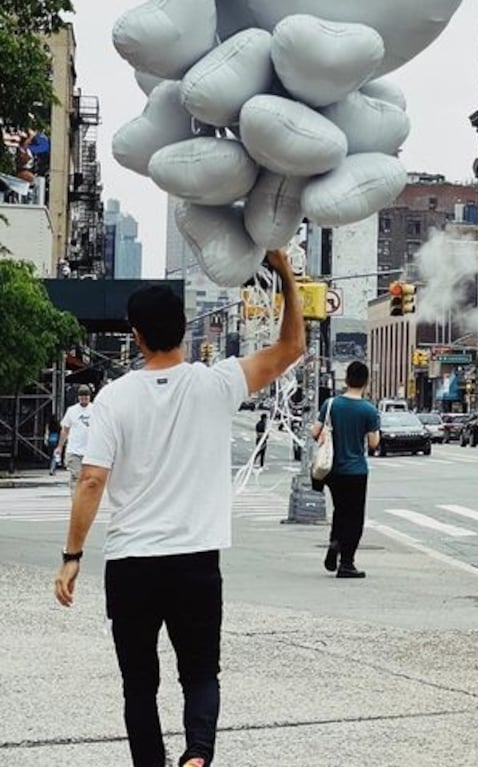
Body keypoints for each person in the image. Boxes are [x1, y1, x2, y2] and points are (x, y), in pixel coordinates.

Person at [53, 249, 304, 767]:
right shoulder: (217, 383)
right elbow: (291, 346)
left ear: (136, 335)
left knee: (139, 684)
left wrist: (72, 555)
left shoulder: (114, 398)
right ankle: (197, 755)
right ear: (185, 329)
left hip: (131, 563)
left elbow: (92, 480)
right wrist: (284, 275)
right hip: (195, 560)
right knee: (201, 672)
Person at [311, 361, 380, 579]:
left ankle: (335, 542)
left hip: (332, 470)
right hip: (356, 470)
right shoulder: (369, 410)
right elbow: (373, 443)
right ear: (366, 381)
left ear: (347, 379)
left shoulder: (331, 404)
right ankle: (346, 563)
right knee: (354, 517)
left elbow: (315, 432)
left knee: (340, 511)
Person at [59, 385, 94, 494]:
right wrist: (60, 446)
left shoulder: (96, 410)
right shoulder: (72, 411)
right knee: (77, 475)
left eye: (86, 396)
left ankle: (84, 498)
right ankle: (76, 499)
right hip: (74, 450)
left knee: (88, 478)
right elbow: (65, 429)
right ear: (78, 397)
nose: (84, 399)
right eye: (82, 396)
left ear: (90, 397)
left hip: (90, 451)